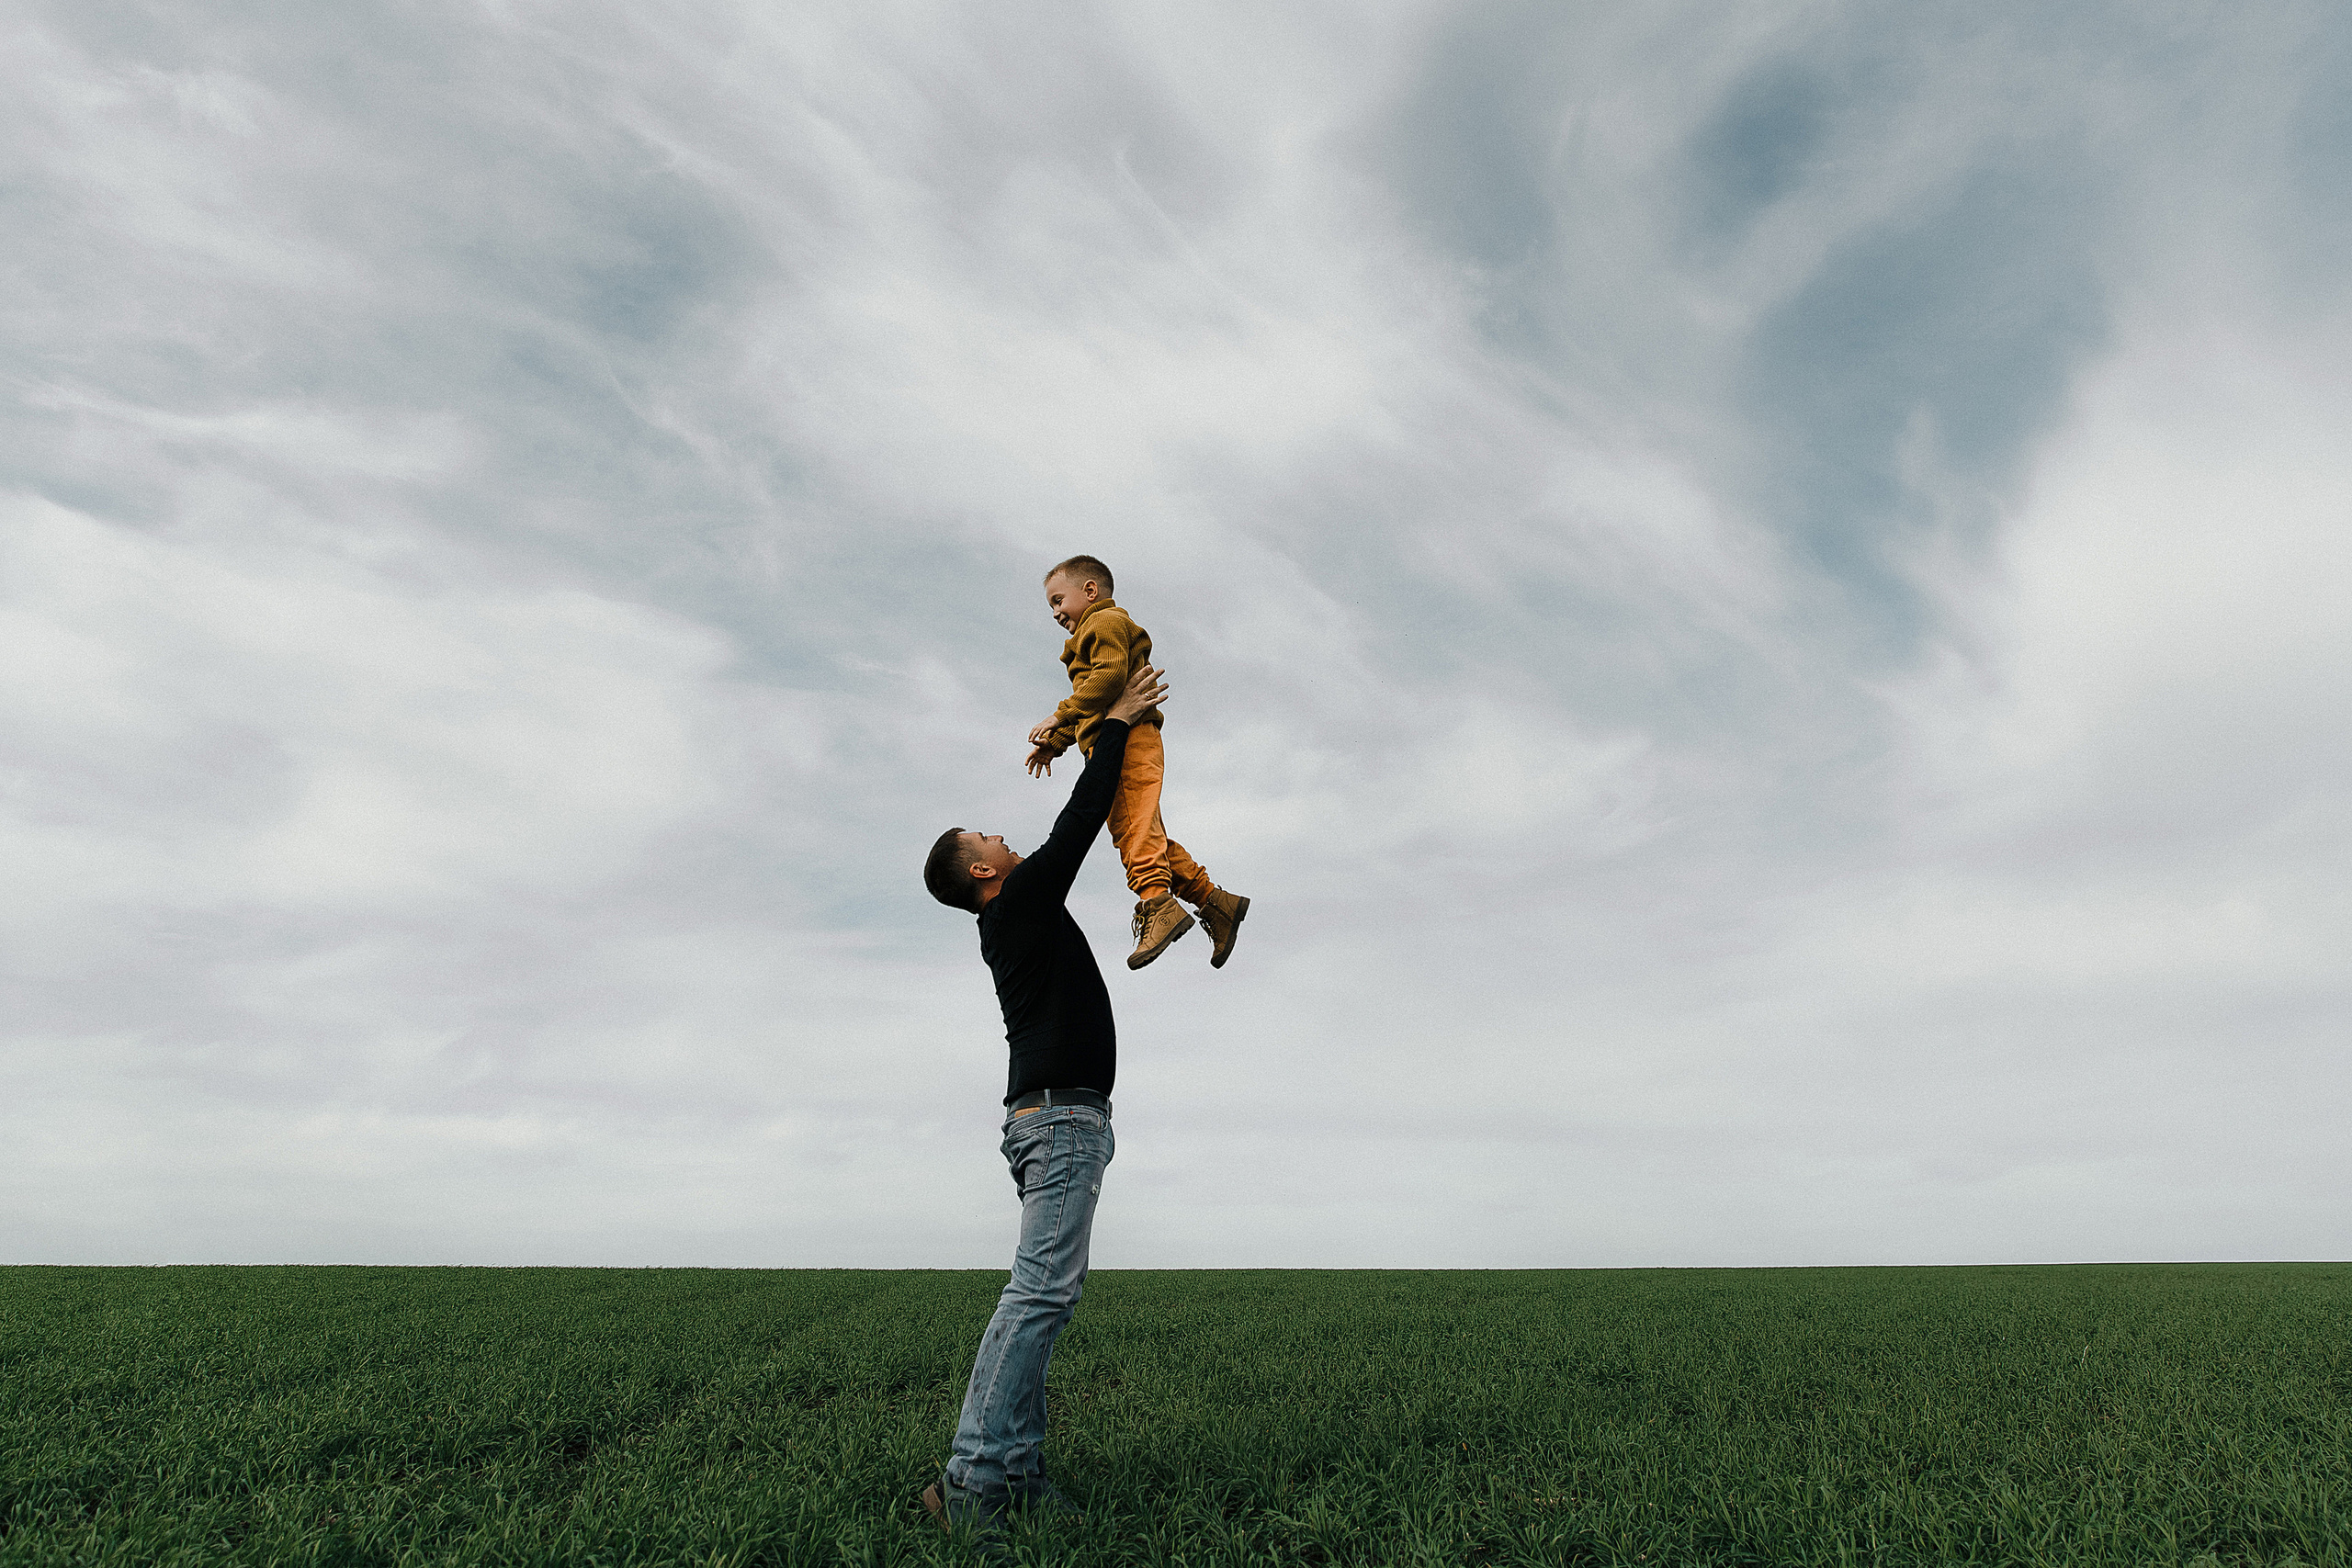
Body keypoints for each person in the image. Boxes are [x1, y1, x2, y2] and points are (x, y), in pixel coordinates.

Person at [917, 660, 1170, 1537]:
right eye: (984, 835)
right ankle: (977, 1481)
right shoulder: (1015, 904)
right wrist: (1120, 724)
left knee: (1044, 1294)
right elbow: (1075, 828)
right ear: (982, 872)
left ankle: (1013, 1472)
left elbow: (1064, 833)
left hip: (1061, 1117)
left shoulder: (1013, 911)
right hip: (1058, 1118)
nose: (1000, 834)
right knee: (1038, 1295)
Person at [1024, 555, 1250, 970]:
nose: (1055, 613)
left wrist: (1058, 715)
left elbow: (1108, 681)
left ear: (1090, 591)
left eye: (1059, 600)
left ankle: (1156, 901)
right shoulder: (1091, 631)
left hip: (1128, 740)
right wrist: (1057, 742)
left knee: (1134, 829)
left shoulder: (1104, 623)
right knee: (1140, 830)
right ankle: (1215, 902)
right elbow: (1097, 704)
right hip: (1113, 742)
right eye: (1051, 606)